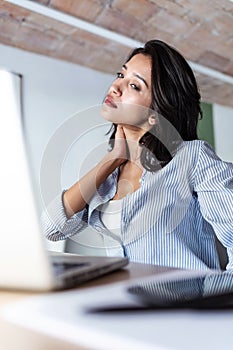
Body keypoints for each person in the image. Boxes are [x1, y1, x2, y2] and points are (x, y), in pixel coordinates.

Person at [42, 39, 233, 271]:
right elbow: (52, 228)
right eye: (121, 75)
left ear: (155, 114)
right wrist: (112, 159)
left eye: (135, 86)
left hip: (185, 304)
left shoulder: (192, 159)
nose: (115, 87)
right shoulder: (109, 176)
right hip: (129, 302)